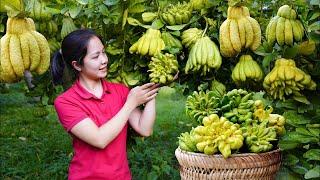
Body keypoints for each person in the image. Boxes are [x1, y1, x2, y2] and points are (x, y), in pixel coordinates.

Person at [51, 29, 159, 180]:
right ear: (77, 65)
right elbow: (99, 139)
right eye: (96, 56)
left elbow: (145, 129)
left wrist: (154, 88)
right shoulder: (66, 102)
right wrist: (130, 103)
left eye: (103, 52)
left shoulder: (120, 91)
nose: (104, 60)